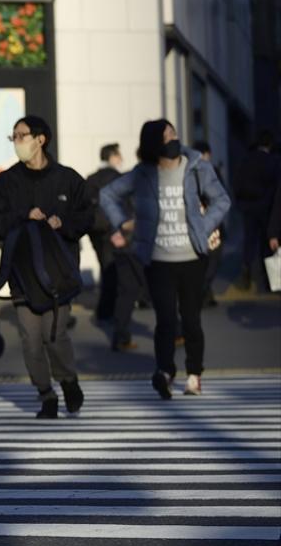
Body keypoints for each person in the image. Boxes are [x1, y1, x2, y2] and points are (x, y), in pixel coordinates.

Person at [100, 119, 230, 398]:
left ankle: (194, 374)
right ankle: (165, 372)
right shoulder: (143, 173)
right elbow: (108, 195)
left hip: (192, 256)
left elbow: (222, 200)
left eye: (174, 133)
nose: (173, 138)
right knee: (166, 320)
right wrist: (122, 223)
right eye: (166, 135)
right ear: (152, 144)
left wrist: (205, 227)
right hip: (157, 260)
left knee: (192, 319)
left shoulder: (196, 167)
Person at [0, 116, 93, 418]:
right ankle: (46, 394)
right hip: (22, 275)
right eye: (14, 137)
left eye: (21, 135)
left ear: (40, 139)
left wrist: (65, 223)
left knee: (55, 335)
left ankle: (69, 380)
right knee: (30, 340)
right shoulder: (6, 182)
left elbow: (88, 216)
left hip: (59, 274)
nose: (17, 141)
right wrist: (23, 215)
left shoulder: (68, 179)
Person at [232, 131, 280, 292]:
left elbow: (237, 184)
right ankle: (269, 280)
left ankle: (246, 269)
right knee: (267, 244)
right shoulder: (273, 162)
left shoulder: (246, 160)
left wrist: (241, 202)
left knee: (249, 241)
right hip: (267, 208)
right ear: (270, 144)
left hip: (248, 207)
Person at [85, 144, 124, 321]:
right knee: (111, 270)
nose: (121, 158)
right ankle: (106, 311)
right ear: (112, 157)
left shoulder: (91, 178)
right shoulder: (116, 177)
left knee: (105, 265)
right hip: (112, 230)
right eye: (119, 155)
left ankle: (107, 309)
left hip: (94, 230)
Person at [191, 141, 227, 307]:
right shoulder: (210, 171)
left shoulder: (187, 171)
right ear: (206, 154)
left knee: (202, 261)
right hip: (210, 224)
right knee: (212, 260)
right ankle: (201, 294)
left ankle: (206, 295)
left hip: (194, 222)